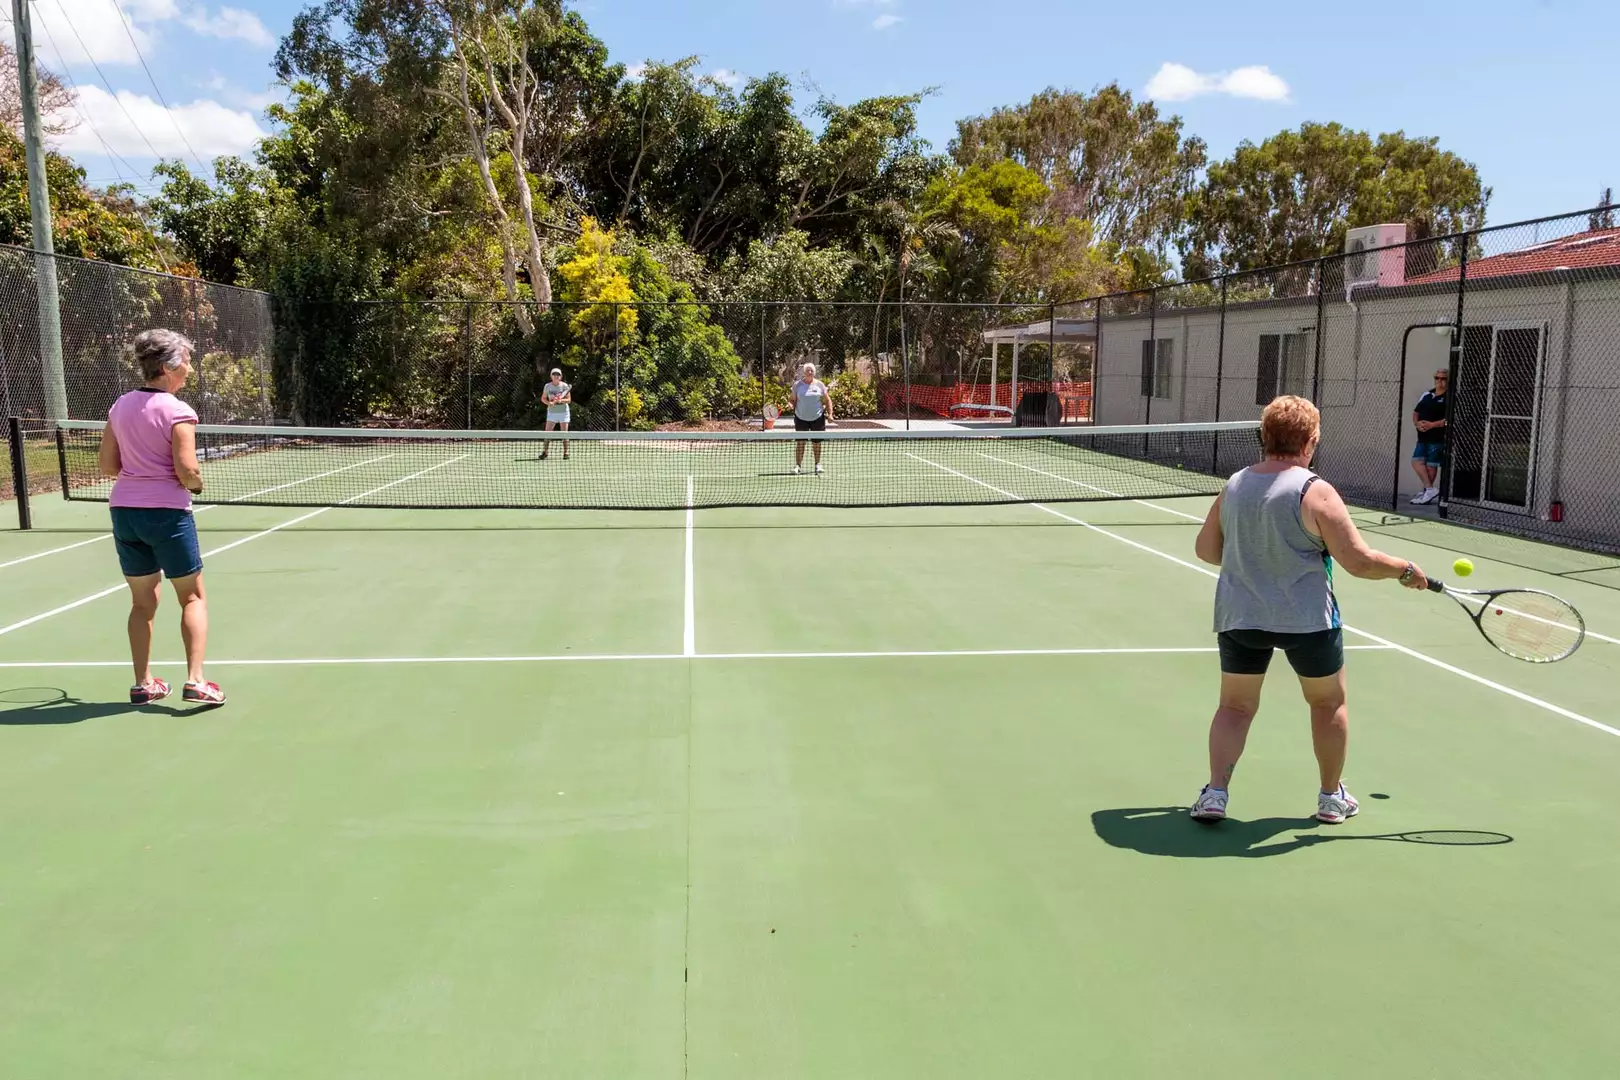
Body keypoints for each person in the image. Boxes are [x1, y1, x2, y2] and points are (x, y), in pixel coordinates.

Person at [1190, 395, 1425, 825]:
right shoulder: (1315, 491)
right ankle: (1331, 798)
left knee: (1235, 708)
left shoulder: (1236, 483)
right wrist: (1404, 569)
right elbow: (1357, 561)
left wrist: (1256, 555)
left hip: (1241, 617)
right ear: (1311, 440)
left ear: (1265, 436)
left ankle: (1214, 795)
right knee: (1327, 704)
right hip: (1308, 621)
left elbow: (1206, 550)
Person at [97, 329, 225, 707]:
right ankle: (196, 681)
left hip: (125, 514)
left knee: (141, 602)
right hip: (167, 515)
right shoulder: (178, 411)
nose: (188, 369)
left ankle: (143, 683)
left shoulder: (119, 406)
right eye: (185, 361)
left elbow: (107, 466)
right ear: (168, 367)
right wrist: (196, 485)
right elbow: (187, 470)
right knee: (192, 597)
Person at [1410, 369, 1448, 504]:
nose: (1440, 381)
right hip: (1422, 437)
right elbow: (1416, 412)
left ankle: (1428, 492)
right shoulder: (1427, 394)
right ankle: (1429, 489)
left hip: (1436, 437)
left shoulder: (1449, 397)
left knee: (1431, 465)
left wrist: (1432, 425)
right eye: (1437, 378)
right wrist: (1417, 424)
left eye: (1443, 378)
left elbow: (1448, 419)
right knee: (1417, 461)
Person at [790, 363, 833, 475]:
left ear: (814, 372)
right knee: (800, 443)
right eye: (808, 370)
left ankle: (818, 465)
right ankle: (798, 466)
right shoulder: (797, 385)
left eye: (812, 371)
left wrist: (830, 414)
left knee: (817, 443)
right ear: (804, 372)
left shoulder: (820, 385)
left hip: (817, 418)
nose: (810, 372)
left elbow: (827, 400)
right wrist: (790, 405)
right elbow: (792, 400)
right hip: (800, 418)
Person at [540, 367, 571, 461]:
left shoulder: (565, 386)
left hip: (563, 413)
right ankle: (545, 452)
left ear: (560, 376)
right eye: (554, 374)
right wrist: (549, 403)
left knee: (564, 434)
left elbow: (569, 400)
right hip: (552, 413)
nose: (556, 376)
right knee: (547, 433)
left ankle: (566, 453)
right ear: (551, 376)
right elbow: (543, 398)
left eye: (558, 374)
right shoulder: (547, 386)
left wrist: (561, 400)